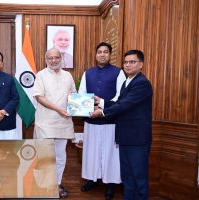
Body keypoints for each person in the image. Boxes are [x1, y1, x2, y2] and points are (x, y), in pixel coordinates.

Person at [91, 49, 153, 200]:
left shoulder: (142, 83)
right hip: (125, 138)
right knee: (127, 178)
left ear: (141, 65)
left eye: (132, 62)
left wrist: (102, 112)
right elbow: (120, 103)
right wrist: (101, 102)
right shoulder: (127, 82)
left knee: (138, 179)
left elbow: (125, 105)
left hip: (137, 140)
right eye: (125, 62)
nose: (128, 65)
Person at [78, 42, 126, 200]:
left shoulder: (119, 73)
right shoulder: (88, 73)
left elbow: (120, 97)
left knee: (109, 154)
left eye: (106, 52)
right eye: (100, 52)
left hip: (110, 121)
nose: (102, 54)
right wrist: (90, 110)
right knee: (91, 153)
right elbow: (82, 93)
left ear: (110, 54)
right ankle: (93, 179)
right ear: (96, 54)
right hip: (91, 120)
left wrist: (102, 109)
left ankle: (110, 184)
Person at [33, 48, 76, 198]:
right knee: (45, 156)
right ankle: (44, 186)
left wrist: (82, 106)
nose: (53, 60)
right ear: (46, 60)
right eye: (50, 58)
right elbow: (39, 97)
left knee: (60, 155)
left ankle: (57, 183)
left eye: (56, 57)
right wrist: (59, 109)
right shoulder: (41, 75)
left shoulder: (68, 75)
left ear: (61, 59)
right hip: (45, 122)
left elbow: (73, 96)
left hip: (63, 122)